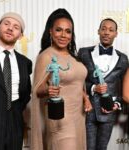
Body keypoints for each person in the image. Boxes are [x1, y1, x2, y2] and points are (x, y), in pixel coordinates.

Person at [31, 8, 92, 150]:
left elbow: (76, 83)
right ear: (50, 32)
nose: (63, 35)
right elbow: (37, 91)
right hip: (59, 118)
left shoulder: (74, 57)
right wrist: (48, 89)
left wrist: (85, 98)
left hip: (79, 115)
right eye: (59, 30)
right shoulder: (46, 56)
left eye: (68, 31)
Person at [0, 12, 32, 150]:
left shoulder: (25, 62)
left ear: (20, 35)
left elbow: (26, 94)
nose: (10, 28)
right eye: (6, 23)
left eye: (16, 27)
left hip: (15, 121)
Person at [78, 18, 129, 150]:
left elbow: (123, 88)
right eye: (104, 29)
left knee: (102, 148)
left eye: (111, 30)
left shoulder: (123, 59)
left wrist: (116, 104)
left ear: (116, 34)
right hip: (87, 111)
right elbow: (76, 81)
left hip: (109, 112)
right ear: (98, 31)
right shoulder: (83, 53)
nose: (107, 32)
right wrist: (94, 88)